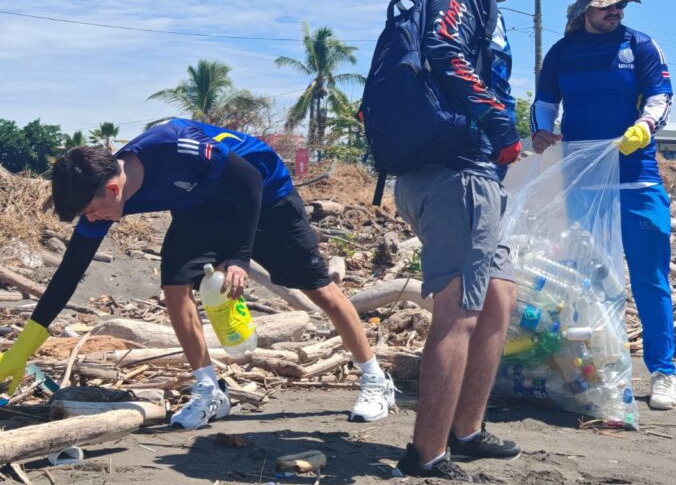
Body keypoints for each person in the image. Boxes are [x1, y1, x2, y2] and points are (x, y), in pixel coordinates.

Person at [0, 119, 395, 428]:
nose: (92, 219)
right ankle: (209, 390)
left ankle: (375, 379)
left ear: (113, 190)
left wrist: (238, 257)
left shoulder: (174, 148)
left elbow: (249, 180)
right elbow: (68, 274)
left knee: (319, 289)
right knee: (175, 286)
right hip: (201, 205)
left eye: (90, 210)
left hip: (265, 195)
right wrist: (19, 353)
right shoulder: (102, 195)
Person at [392, 0, 550, 481]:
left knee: (499, 298)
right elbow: (444, 51)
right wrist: (501, 127)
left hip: (466, 171)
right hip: (453, 172)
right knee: (459, 310)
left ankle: (466, 429)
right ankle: (427, 452)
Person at [530, 0, 676, 410]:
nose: (613, 11)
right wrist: (541, 130)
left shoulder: (641, 46)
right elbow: (544, 101)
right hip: (584, 180)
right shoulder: (562, 53)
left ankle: (663, 372)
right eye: (604, 6)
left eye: (618, 4)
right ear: (583, 10)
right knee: (591, 281)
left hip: (638, 178)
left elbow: (661, 96)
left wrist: (645, 126)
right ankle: (604, 368)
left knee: (650, 278)